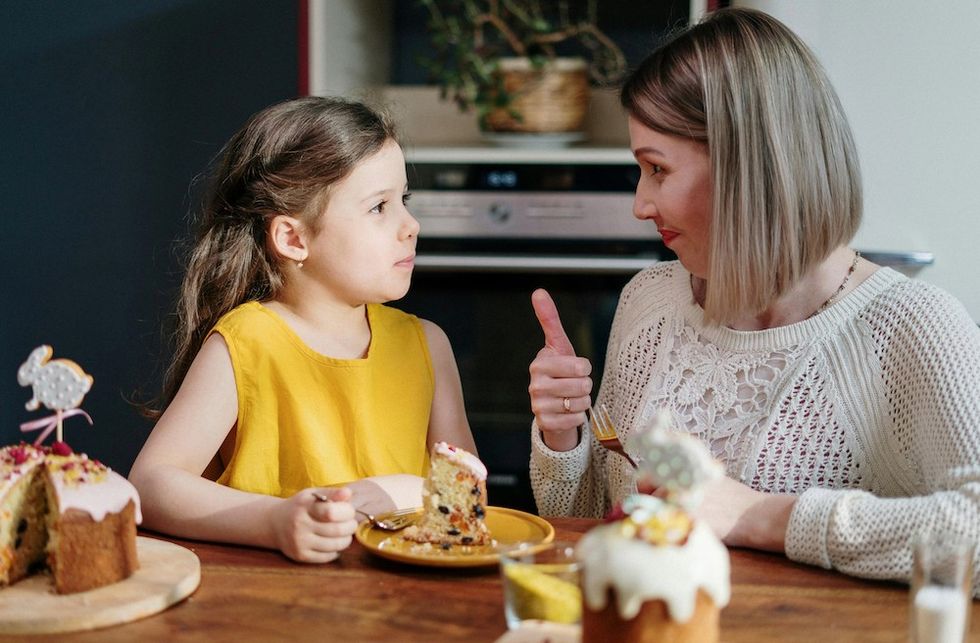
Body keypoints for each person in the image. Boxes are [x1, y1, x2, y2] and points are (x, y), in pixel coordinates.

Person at [528, 8, 980, 592]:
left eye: (657, 169)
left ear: (749, 168)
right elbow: (592, 524)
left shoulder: (913, 328)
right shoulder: (650, 301)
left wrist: (759, 516)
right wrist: (563, 436)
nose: (640, 204)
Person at [130, 96, 476, 563]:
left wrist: (401, 489)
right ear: (293, 238)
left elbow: (468, 494)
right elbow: (150, 485)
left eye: (404, 201)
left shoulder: (427, 345)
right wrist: (274, 522)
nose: (410, 225)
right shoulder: (246, 344)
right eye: (379, 208)